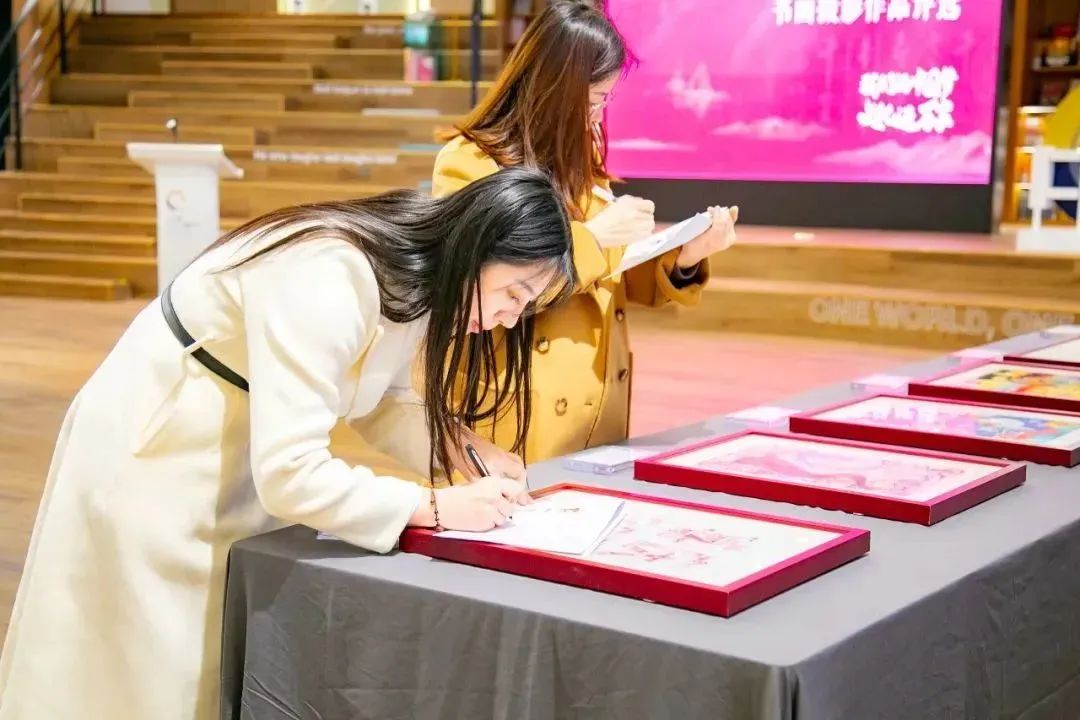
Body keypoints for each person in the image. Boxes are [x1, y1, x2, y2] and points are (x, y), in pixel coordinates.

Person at [0, 167, 575, 720]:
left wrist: (460, 449)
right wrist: (433, 507)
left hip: (235, 439)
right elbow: (293, 473)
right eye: (514, 293)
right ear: (475, 247)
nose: (510, 318)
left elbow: (379, 395)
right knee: (138, 657)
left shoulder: (416, 270)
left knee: (203, 648)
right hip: (159, 444)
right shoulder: (333, 272)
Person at [433, 0, 738, 463]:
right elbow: (487, 284)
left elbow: (608, 278)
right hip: (515, 404)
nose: (598, 115)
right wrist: (594, 236)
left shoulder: (580, 160)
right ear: (553, 86)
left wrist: (685, 255)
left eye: (605, 100)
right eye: (594, 99)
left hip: (598, 403)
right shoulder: (470, 162)